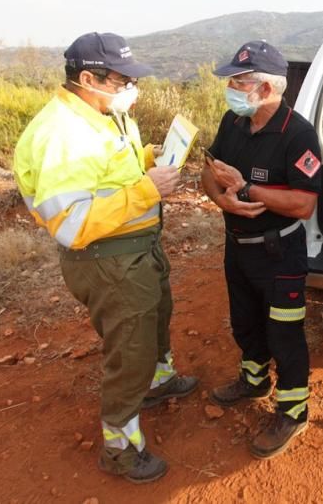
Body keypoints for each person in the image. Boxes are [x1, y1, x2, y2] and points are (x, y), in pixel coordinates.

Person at [13, 32, 198, 484]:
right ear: (88, 78)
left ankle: (157, 382)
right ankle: (120, 449)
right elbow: (72, 225)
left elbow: (111, 172)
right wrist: (146, 190)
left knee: (155, 320)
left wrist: (151, 161)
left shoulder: (102, 115)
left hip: (135, 251)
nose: (131, 88)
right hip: (108, 261)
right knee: (129, 352)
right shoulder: (63, 135)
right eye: (122, 80)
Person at [201, 40, 321, 459]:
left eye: (239, 81)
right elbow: (209, 172)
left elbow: (304, 204)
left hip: (279, 255)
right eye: (232, 80)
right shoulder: (233, 121)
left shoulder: (299, 136)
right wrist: (223, 200)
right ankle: (253, 380)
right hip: (238, 248)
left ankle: (293, 411)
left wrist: (248, 189)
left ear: (267, 89)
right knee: (244, 321)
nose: (232, 88)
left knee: (284, 335)